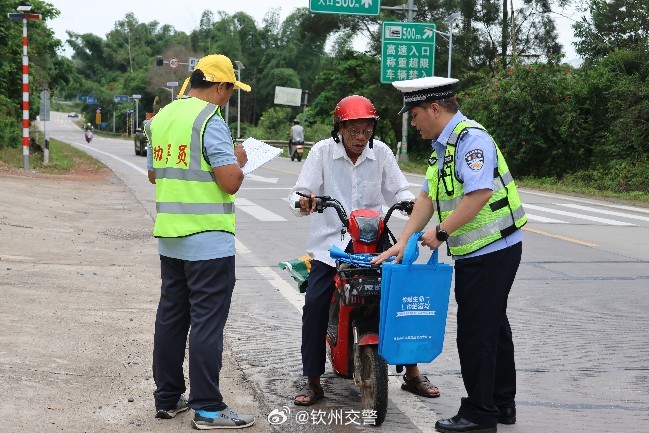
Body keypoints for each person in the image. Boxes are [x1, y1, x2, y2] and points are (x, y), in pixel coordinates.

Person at [373, 76, 527, 433]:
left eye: (414, 114)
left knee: (476, 333)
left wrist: (441, 233)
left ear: (435, 109)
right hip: (481, 251)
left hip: (491, 250)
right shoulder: (444, 147)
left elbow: (479, 195)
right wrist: (403, 240)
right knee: (494, 327)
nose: (412, 122)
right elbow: (427, 197)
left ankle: (479, 414)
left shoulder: (472, 141)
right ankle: (502, 403)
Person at [289, 95, 440, 406]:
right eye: (354, 132)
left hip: (375, 244)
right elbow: (300, 192)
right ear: (340, 128)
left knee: (400, 299)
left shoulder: (381, 152)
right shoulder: (321, 152)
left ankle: (412, 373)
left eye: (366, 131)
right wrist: (305, 201)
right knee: (315, 305)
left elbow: (398, 189)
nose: (360, 139)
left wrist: (409, 201)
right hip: (331, 247)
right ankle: (313, 380)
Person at [144, 54, 255, 430]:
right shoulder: (210, 119)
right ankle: (208, 408)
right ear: (220, 86)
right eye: (229, 91)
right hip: (208, 240)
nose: (228, 99)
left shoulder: (161, 118)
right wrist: (239, 160)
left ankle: (168, 398)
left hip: (170, 238)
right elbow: (230, 182)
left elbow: (153, 175)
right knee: (207, 323)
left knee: (172, 318)